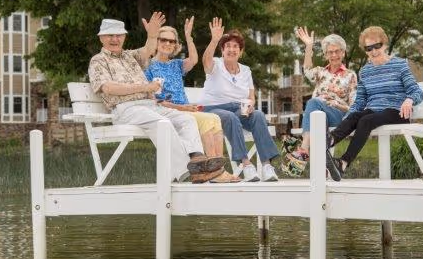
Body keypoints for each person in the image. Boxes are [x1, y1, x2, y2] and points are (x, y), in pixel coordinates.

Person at [88, 13, 231, 184]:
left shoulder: (129, 56)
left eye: (118, 35)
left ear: (124, 37)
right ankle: (186, 172)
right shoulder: (98, 61)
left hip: (149, 105)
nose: (115, 39)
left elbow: (148, 50)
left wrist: (153, 35)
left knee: (185, 120)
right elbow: (108, 88)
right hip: (126, 109)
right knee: (163, 124)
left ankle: (197, 159)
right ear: (101, 38)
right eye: (110, 35)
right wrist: (144, 87)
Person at [144, 18, 239, 183]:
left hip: (186, 111)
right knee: (209, 119)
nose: (167, 43)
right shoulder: (149, 66)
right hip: (170, 113)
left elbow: (194, 60)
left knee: (214, 119)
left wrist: (188, 37)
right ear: (157, 41)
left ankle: (216, 170)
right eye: (163, 39)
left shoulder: (176, 65)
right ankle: (216, 173)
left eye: (171, 41)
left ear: (175, 45)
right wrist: (183, 108)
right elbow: (155, 101)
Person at [326, 26, 423, 181]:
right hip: (374, 111)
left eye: (377, 46)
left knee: (365, 120)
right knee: (357, 115)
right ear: (365, 50)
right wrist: (348, 118)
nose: (373, 51)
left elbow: (416, 91)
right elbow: (360, 101)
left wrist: (409, 100)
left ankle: (343, 162)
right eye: (368, 48)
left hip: (396, 111)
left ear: (384, 44)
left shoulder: (399, 65)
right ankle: (329, 141)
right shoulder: (365, 71)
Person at [201, 18, 280, 182]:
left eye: (235, 46)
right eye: (227, 46)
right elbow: (205, 62)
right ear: (222, 50)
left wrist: (251, 104)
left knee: (258, 115)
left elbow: (251, 95)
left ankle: (266, 165)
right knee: (230, 118)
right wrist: (215, 39)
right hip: (213, 109)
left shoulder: (246, 70)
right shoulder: (215, 63)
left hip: (239, 108)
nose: (231, 49)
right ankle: (246, 165)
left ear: (240, 51)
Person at [286, 27, 357, 173]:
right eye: (330, 52)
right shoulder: (320, 72)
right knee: (316, 112)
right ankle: (323, 168)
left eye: (337, 51)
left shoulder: (350, 75)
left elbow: (353, 106)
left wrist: (335, 104)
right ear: (325, 55)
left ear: (343, 53)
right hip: (319, 116)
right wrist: (309, 46)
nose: (334, 55)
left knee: (313, 103)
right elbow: (306, 70)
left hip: (339, 115)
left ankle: (304, 148)